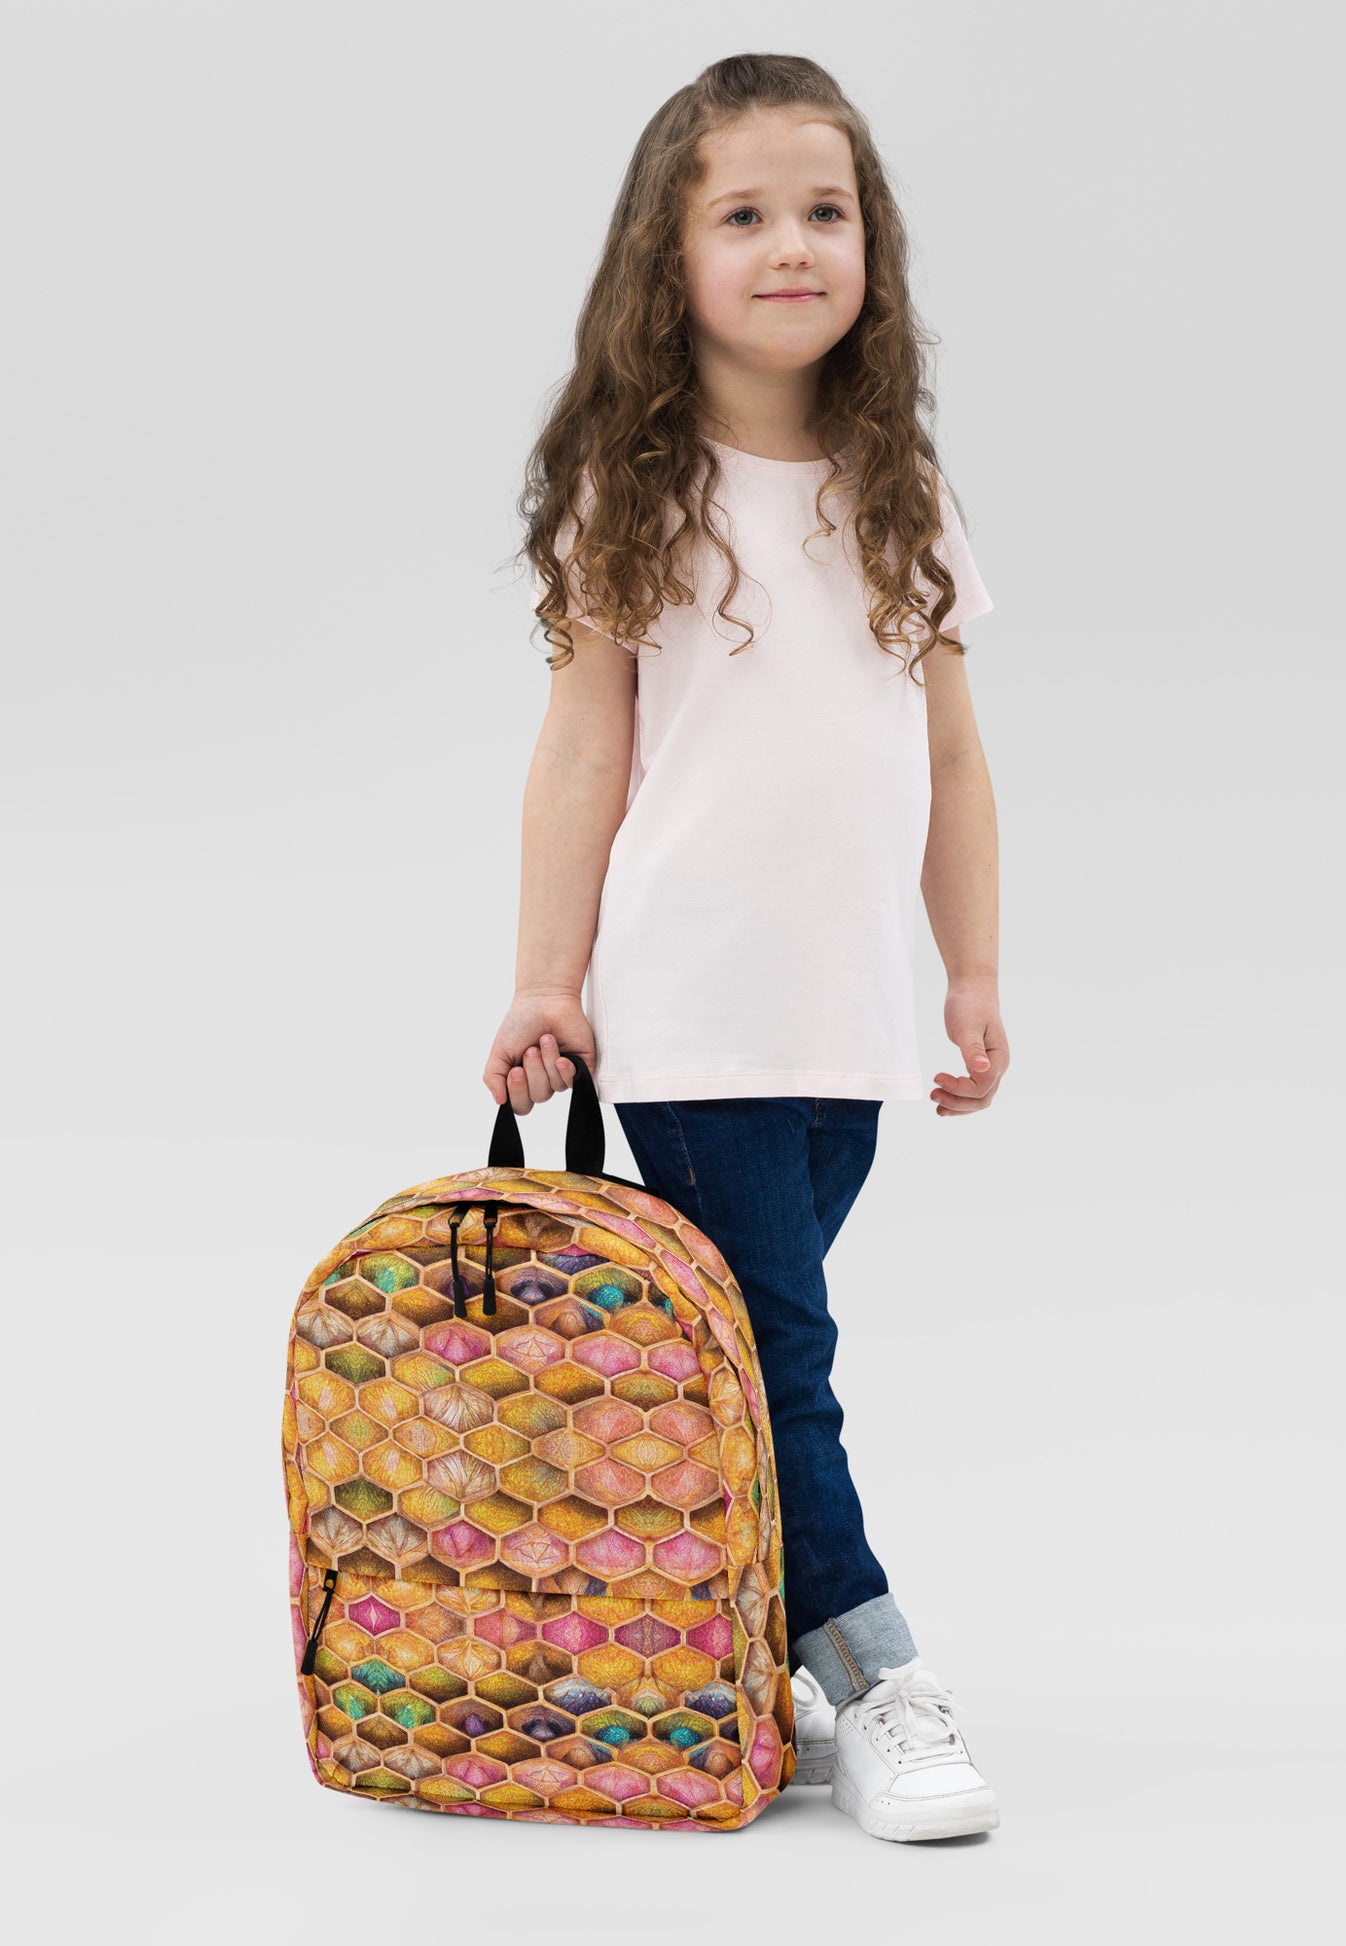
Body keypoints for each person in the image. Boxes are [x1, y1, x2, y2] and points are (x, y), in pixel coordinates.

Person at [484, 52, 1006, 1844]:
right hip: (692, 1010)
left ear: (872, 246)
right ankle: (879, 1677)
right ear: (669, 256)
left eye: (825, 210)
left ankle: (702, 1647)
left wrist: (971, 973)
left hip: (848, 1019)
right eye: (745, 214)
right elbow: (581, 753)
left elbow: (950, 758)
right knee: (780, 1356)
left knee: (731, 1369)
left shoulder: (899, 489)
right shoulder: (635, 491)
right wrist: (548, 979)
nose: (793, 245)